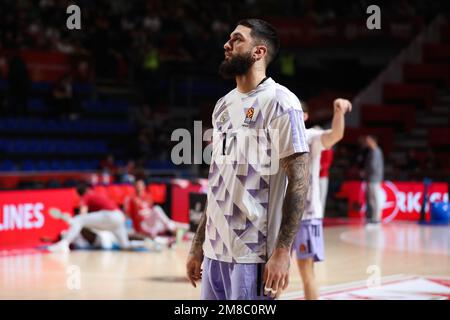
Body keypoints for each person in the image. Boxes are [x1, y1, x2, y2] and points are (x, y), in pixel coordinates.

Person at [186, 19, 310, 300]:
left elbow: (300, 182)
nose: (226, 45)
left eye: (237, 39)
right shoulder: (222, 106)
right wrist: (198, 244)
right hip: (215, 252)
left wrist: (282, 251)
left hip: (252, 253)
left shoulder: (281, 102)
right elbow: (219, 180)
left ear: (259, 52)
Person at [293, 99, 352, 300]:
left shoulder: (311, 137)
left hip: (306, 216)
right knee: (273, 273)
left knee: (306, 272)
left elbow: (336, 134)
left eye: (297, 112)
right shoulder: (278, 138)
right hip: (281, 216)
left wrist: (338, 112)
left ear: (305, 116)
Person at [47, 183, 150, 253]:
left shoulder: (86, 196)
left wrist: (73, 220)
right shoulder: (98, 194)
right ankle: (146, 243)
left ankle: (64, 244)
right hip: (119, 217)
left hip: (109, 216)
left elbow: (83, 215)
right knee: (125, 245)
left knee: (79, 219)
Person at [123, 179, 188, 245]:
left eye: (141, 185)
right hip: (142, 225)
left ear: (144, 186)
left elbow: (151, 212)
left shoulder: (148, 196)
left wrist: (147, 212)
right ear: (135, 186)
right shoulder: (131, 198)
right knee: (157, 209)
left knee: (164, 221)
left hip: (151, 224)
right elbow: (129, 215)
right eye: (137, 185)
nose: (139, 187)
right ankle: (174, 229)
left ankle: (178, 231)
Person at [362, 135, 385, 224]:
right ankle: (373, 217)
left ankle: (376, 218)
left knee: (375, 199)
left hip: (374, 179)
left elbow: (374, 167)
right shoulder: (372, 152)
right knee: (371, 200)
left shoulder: (376, 151)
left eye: (368, 141)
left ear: (373, 141)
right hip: (371, 179)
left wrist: (366, 172)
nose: (367, 143)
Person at [319, 148, 334, 217]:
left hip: (322, 177)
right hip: (314, 176)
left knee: (321, 199)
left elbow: (326, 164)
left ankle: (319, 217)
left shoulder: (328, 149)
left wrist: (318, 167)